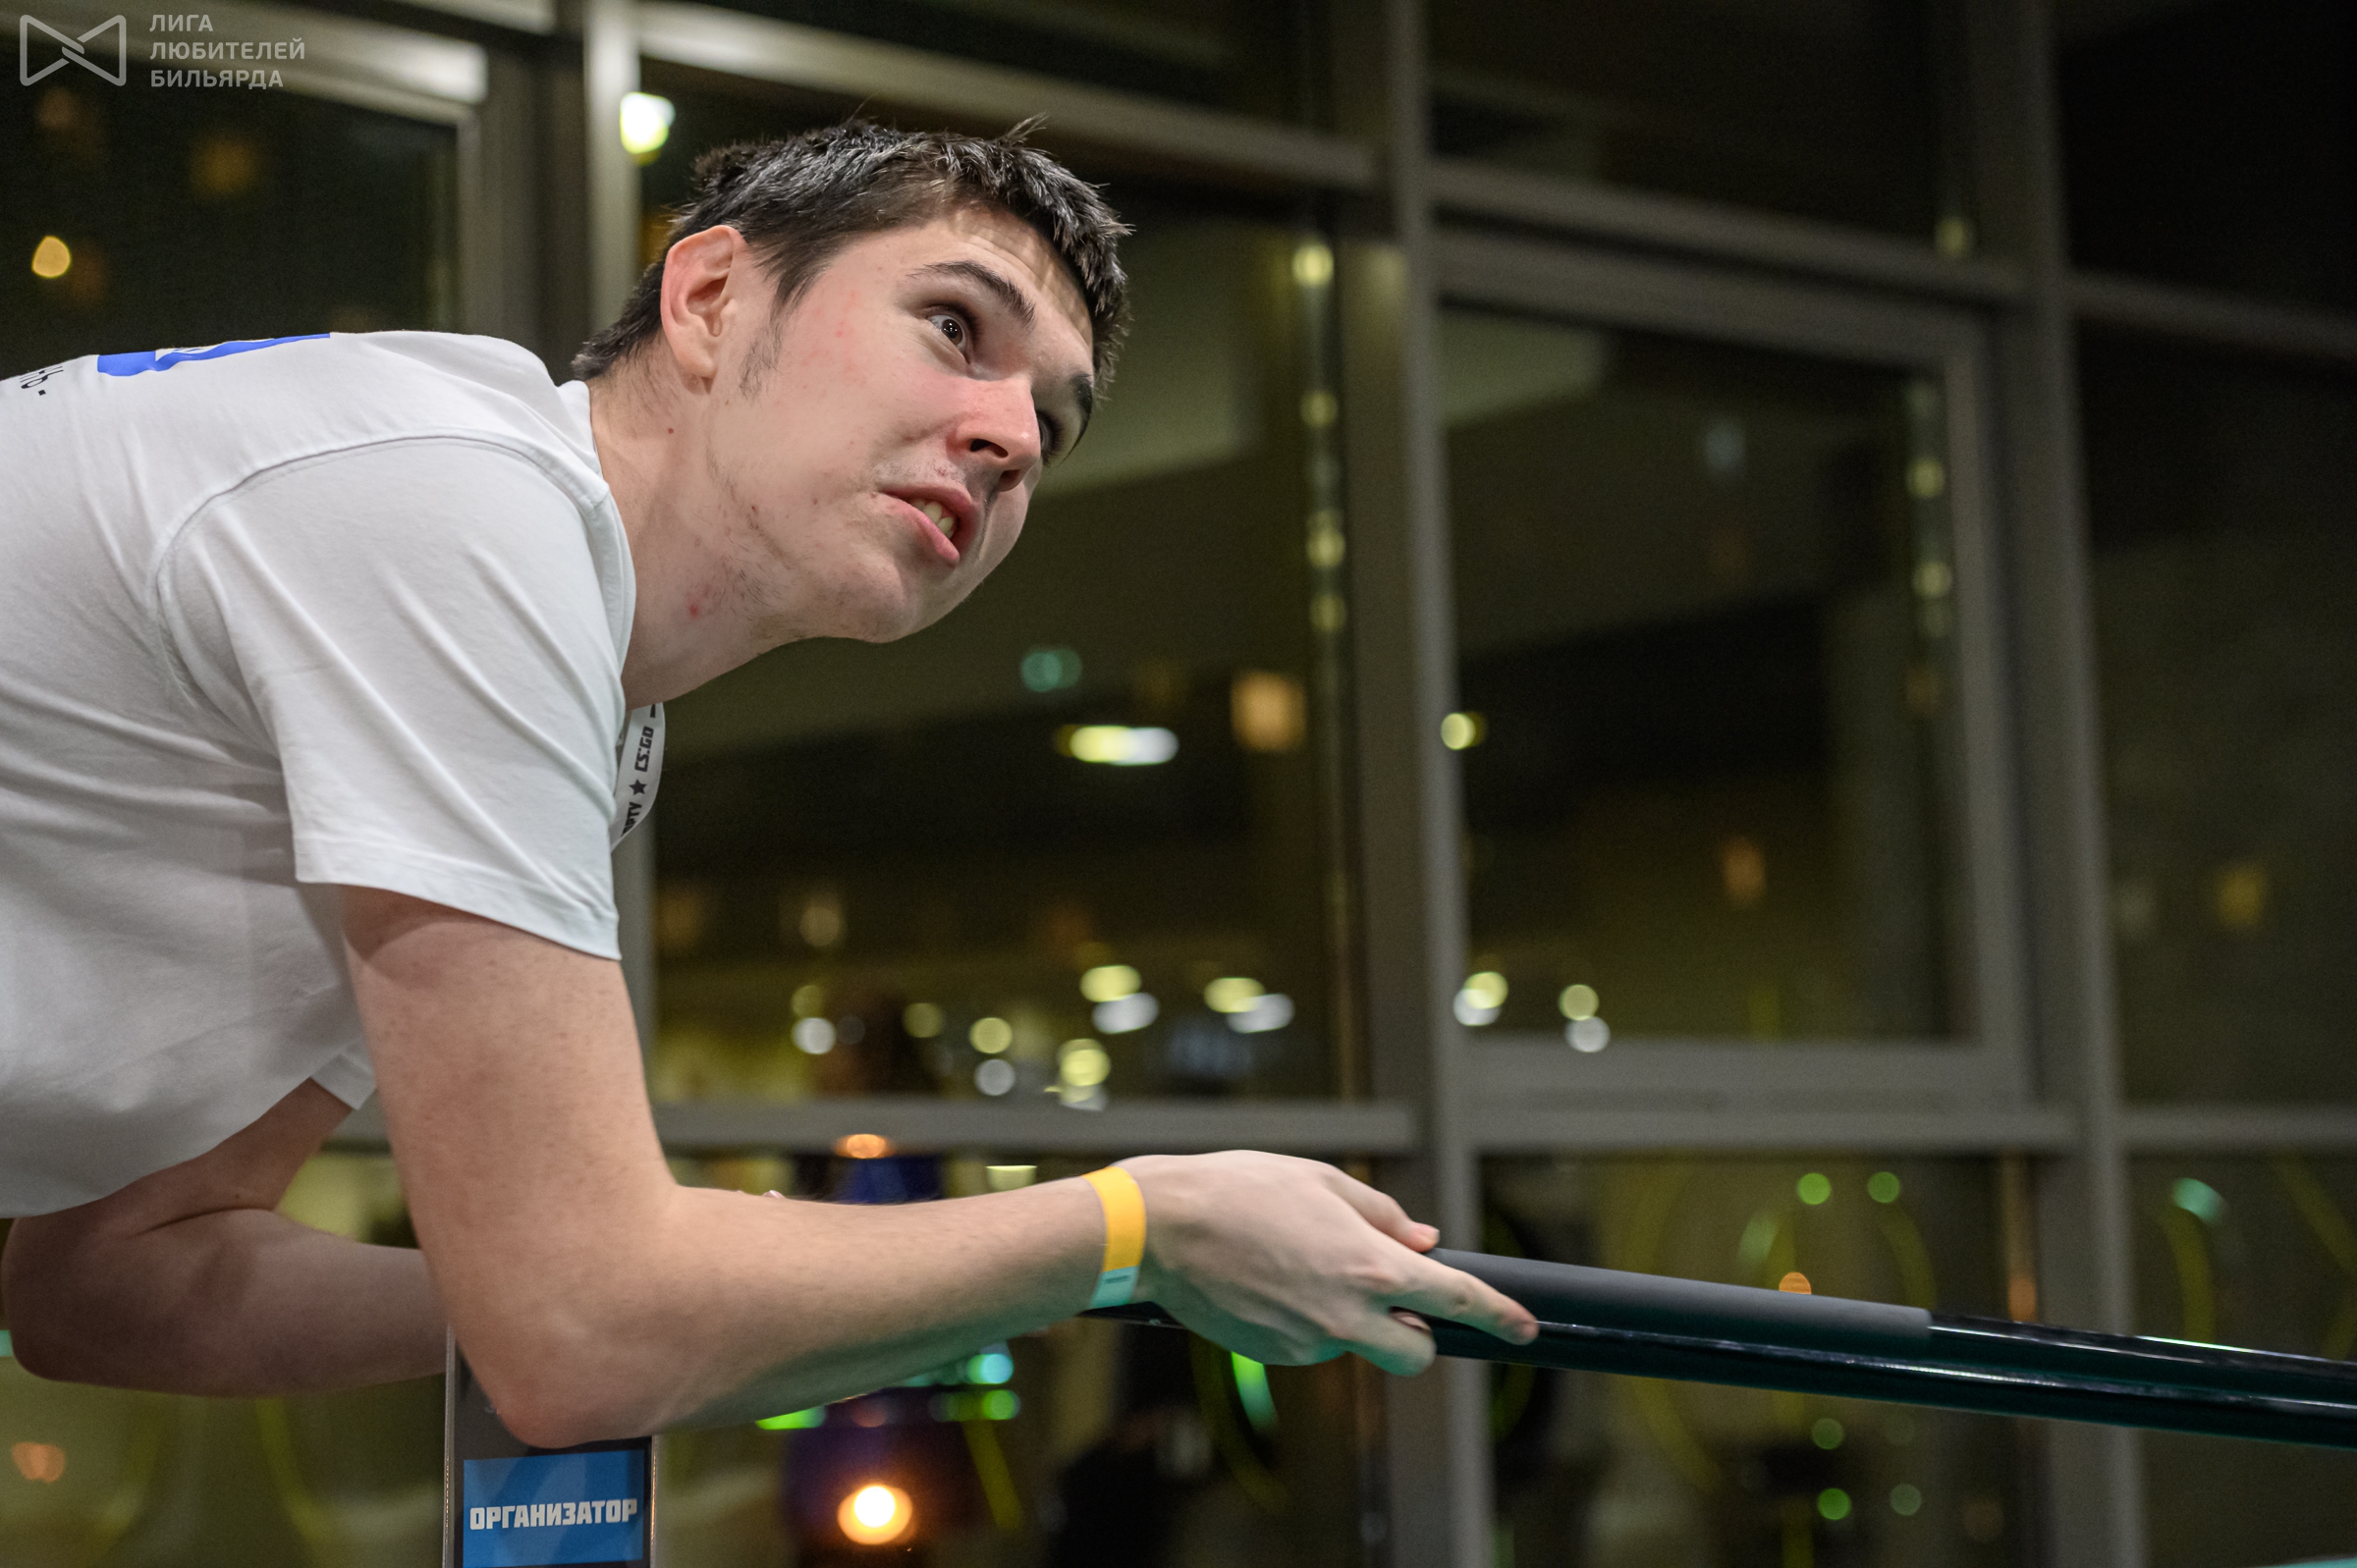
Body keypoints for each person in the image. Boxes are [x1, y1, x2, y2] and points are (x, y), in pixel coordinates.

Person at [0, 122, 1533, 1449]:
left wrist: (704, 1293)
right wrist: (1138, 1227)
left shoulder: (589, 703)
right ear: (711, 298)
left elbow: (117, 1276)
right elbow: (583, 1330)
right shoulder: (455, 508)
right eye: (954, 325)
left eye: (1052, 424)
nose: (1013, 437)